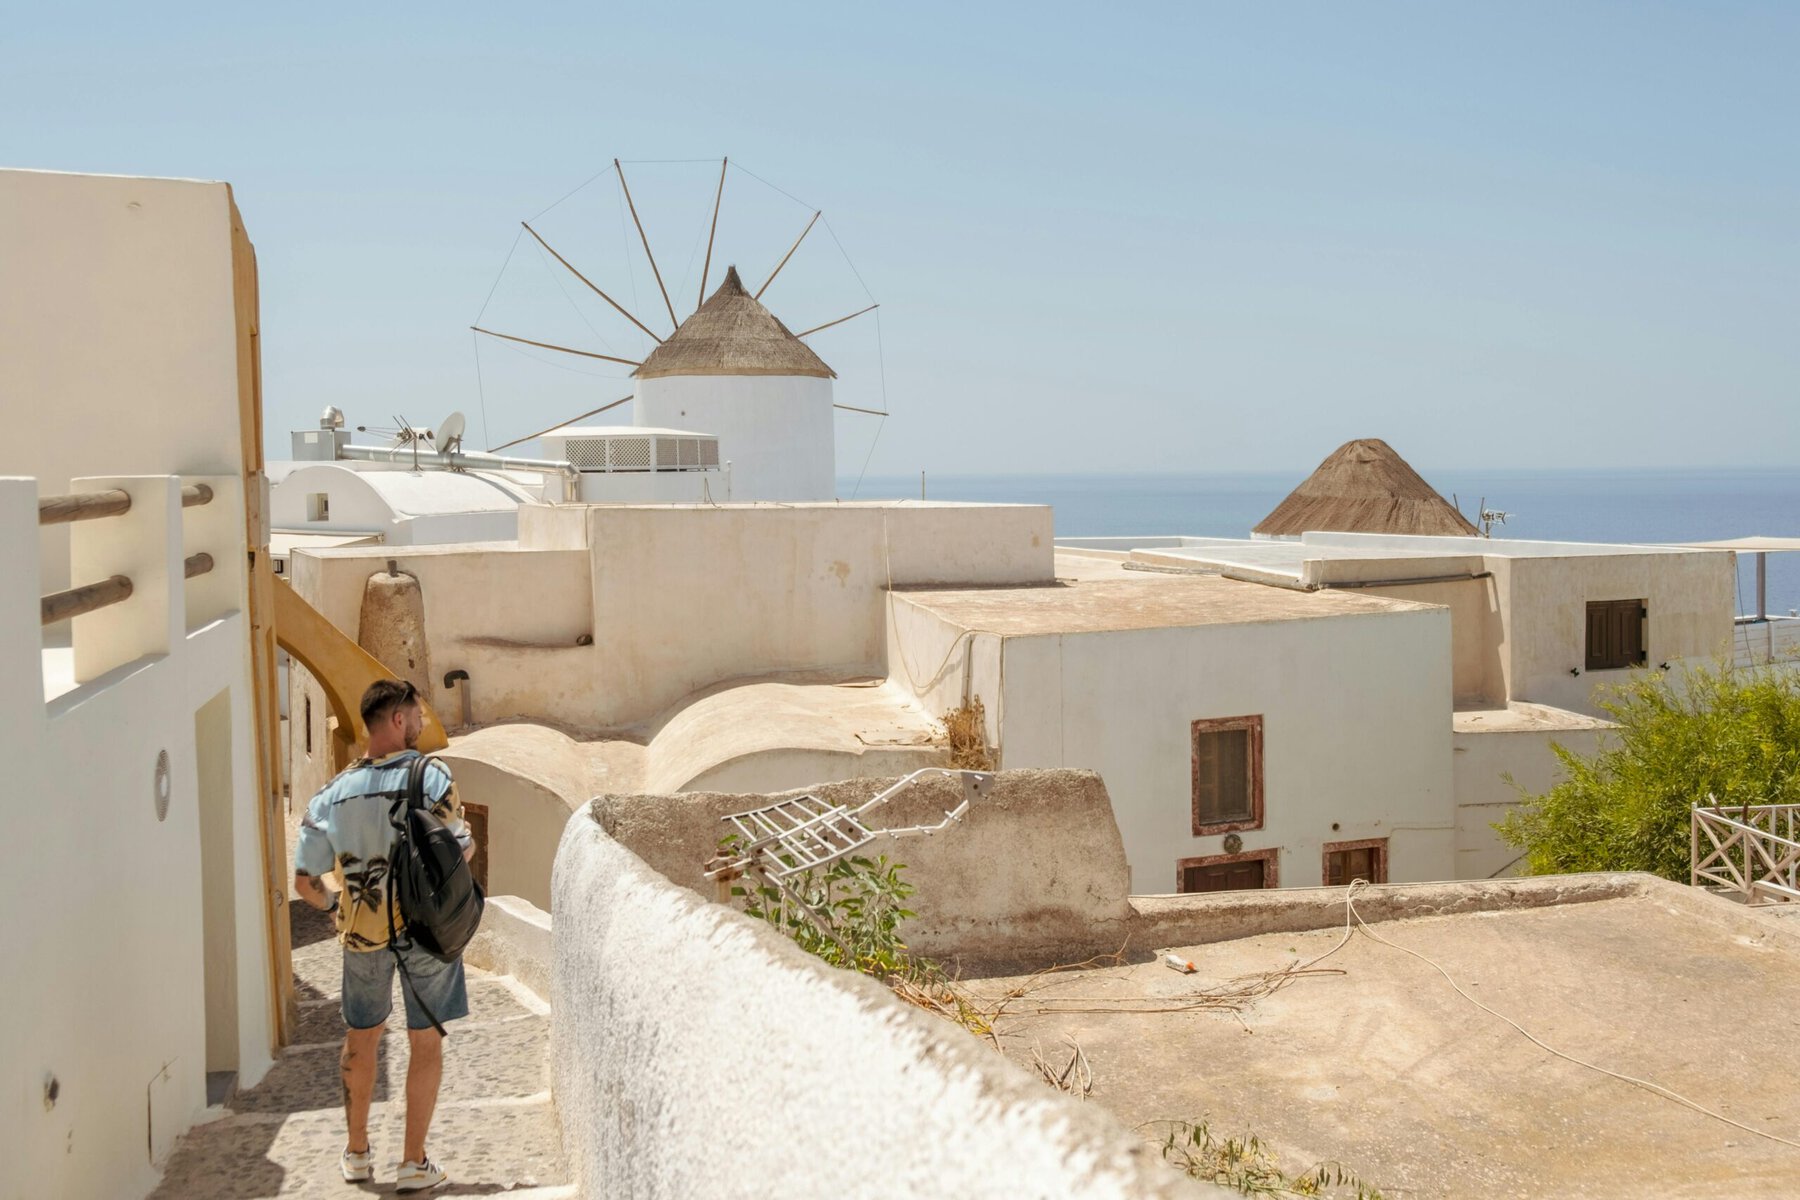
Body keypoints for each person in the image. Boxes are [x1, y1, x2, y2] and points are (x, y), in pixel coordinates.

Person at [293, 678, 474, 1192]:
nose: (420, 723)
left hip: (361, 936)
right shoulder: (433, 777)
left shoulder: (329, 795)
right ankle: (413, 1163)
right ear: (397, 719)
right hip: (426, 933)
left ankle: (355, 1154)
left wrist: (337, 906)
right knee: (425, 1041)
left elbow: (306, 883)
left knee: (362, 1039)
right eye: (416, 714)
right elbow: (456, 851)